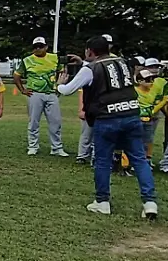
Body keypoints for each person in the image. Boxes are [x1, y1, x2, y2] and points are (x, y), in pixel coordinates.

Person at [58, 36, 158, 219]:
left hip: (107, 117)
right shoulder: (123, 63)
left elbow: (68, 89)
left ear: (89, 51)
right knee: (139, 159)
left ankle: (102, 201)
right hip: (131, 114)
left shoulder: (90, 68)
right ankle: (149, 202)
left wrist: (59, 85)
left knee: (103, 161)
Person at [15, 36, 67, 156]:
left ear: (46, 47)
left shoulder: (54, 58)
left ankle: (57, 148)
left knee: (55, 122)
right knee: (34, 121)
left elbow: (61, 71)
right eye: (35, 47)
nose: (38, 49)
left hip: (51, 93)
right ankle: (33, 146)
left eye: (40, 46)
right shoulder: (27, 60)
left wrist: (59, 85)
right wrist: (22, 90)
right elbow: (17, 75)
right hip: (35, 93)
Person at [134, 68, 166, 164]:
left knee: (149, 140)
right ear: (140, 81)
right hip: (137, 119)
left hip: (149, 119)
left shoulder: (152, 92)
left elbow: (153, 107)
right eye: (148, 80)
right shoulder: (134, 91)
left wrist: (163, 102)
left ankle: (147, 159)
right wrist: (163, 102)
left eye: (152, 80)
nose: (151, 82)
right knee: (136, 141)